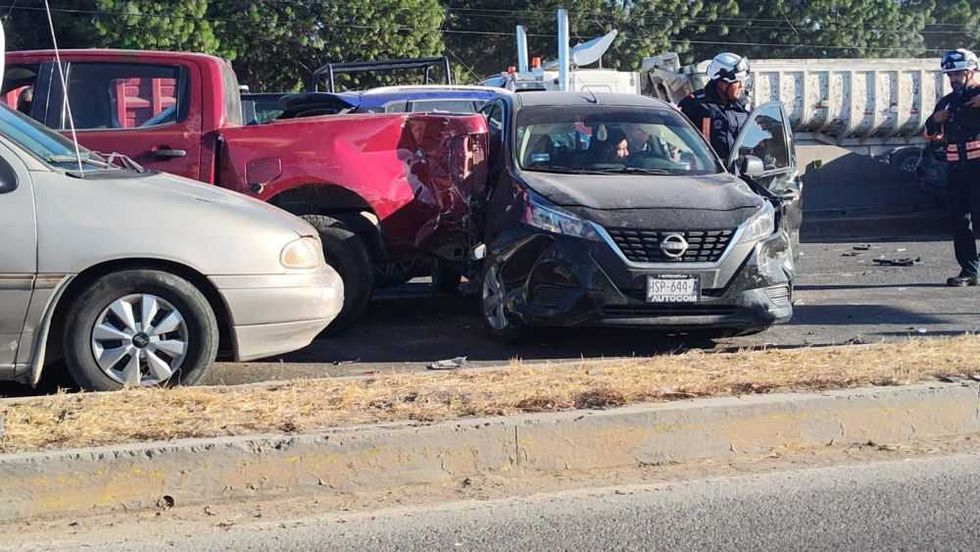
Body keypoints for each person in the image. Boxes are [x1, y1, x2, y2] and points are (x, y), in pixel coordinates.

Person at [925, 49, 980, 286]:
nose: (953, 79)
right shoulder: (947, 101)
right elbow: (929, 134)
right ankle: (969, 271)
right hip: (956, 168)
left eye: (957, 74)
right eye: (950, 75)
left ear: (971, 71)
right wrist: (935, 120)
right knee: (959, 219)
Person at [679, 52, 751, 161]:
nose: (742, 87)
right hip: (707, 172)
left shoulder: (743, 106)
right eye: (738, 82)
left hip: (740, 172)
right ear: (722, 84)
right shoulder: (694, 105)